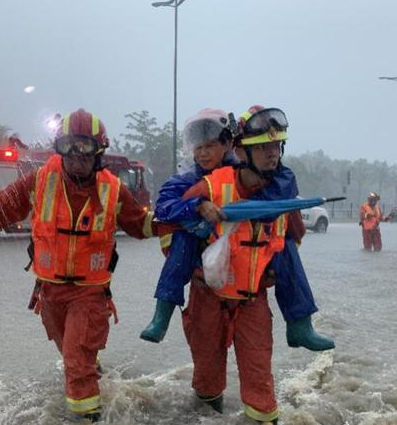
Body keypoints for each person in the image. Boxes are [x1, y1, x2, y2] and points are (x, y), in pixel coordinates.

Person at [0, 108, 155, 423]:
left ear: (99, 153)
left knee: (75, 365)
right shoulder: (40, 182)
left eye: (85, 147)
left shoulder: (113, 190)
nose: (76, 156)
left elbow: (142, 227)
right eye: (69, 147)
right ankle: (93, 373)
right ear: (58, 150)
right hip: (49, 294)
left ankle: (86, 416)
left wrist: (180, 223)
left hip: (90, 295)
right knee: (72, 355)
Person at [140, 108, 334, 354]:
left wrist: (247, 211)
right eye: (198, 147)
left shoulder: (269, 177)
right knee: (207, 376)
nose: (203, 153)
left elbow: (288, 219)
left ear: (230, 145)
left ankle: (299, 323)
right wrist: (197, 206)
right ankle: (162, 315)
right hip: (205, 280)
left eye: (210, 146)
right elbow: (164, 208)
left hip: (251, 284)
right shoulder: (189, 181)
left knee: (258, 374)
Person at [180, 106, 312, 425]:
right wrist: (198, 211)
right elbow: (169, 221)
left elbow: (295, 234)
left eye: (276, 147)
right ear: (241, 150)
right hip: (207, 298)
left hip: (252, 300)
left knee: (260, 381)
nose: (272, 154)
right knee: (207, 379)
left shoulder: (284, 195)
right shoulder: (211, 186)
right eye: (263, 148)